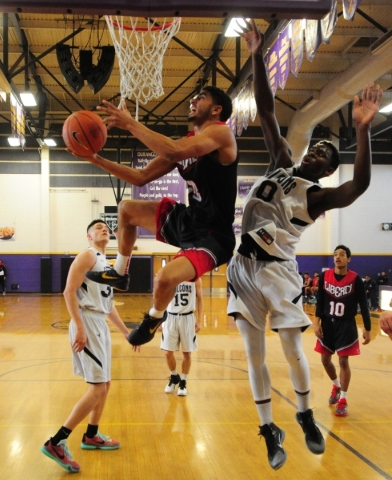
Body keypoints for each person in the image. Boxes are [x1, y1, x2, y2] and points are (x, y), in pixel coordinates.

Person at [227, 20, 382, 470]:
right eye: (314, 148)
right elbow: (266, 109)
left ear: (329, 170)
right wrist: (256, 53)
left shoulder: (318, 196)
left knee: (293, 349)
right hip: (242, 268)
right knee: (253, 355)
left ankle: (306, 415)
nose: (315, 153)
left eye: (325, 155)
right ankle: (268, 429)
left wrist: (364, 130)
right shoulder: (280, 163)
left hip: (277, 270)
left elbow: (361, 186)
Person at [74, 86, 237, 346]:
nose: (193, 100)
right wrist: (97, 160)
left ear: (216, 109)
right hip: (190, 219)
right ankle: (120, 272)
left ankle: (153, 318)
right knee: (126, 209)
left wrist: (130, 124)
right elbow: (140, 177)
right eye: (193, 97)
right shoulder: (186, 142)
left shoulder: (221, 132)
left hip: (213, 236)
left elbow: (172, 151)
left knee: (163, 279)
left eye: (201, 98)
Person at [41, 219, 139, 473]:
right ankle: (56, 441)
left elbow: (108, 306)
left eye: (106, 227)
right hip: (85, 320)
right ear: (88, 236)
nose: (103, 229)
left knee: (104, 385)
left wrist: (126, 333)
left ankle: (91, 435)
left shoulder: (106, 264)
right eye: (97, 228)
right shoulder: (87, 255)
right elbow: (68, 291)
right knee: (96, 389)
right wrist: (80, 327)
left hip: (98, 323)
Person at [313, 245, 371, 418]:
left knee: (343, 361)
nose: (337, 257)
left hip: (346, 325)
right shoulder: (325, 276)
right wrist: (316, 322)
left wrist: (367, 328)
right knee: (325, 360)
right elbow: (320, 301)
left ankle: (343, 399)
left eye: (342, 254)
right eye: (335, 254)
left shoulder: (356, 279)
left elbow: (364, 305)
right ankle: (336, 386)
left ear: (349, 259)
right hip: (328, 324)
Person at [161, 278, 203, 396]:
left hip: (187, 318)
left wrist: (199, 320)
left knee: (187, 353)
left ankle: (183, 381)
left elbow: (200, 299)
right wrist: (160, 319)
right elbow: (162, 298)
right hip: (171, 317)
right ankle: (174, 376)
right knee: (167, 352)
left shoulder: (195, 278)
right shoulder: (171, 276)